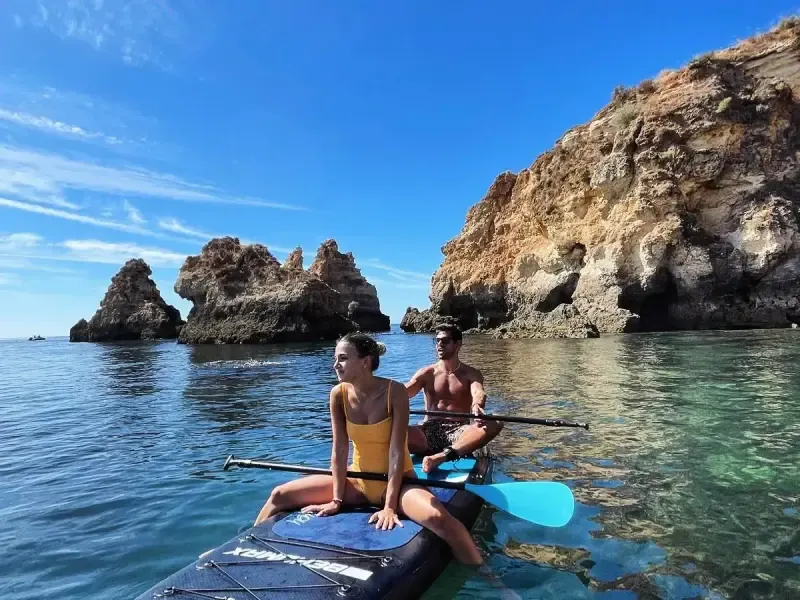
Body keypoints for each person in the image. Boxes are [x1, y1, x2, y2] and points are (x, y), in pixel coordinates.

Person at [253, 332, 483, 566]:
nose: (335, 365)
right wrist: (336, 499)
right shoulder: (338, 394)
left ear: (365, 361)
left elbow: (396, 451)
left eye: (342, 358)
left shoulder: (395, 392)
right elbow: (340, 450)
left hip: (401, 483)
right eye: (335, 359)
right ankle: (250, 545)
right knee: (279, 494)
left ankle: (487, 576)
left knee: (441, 520)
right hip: (357, 480)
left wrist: (389, 507)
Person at [405, 324, 503, 473]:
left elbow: (478, 392)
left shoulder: (471, 374)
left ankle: (443, 457)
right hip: (427, 432)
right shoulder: (427, 373)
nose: (439, 345)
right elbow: (405, 392)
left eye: (444, 341)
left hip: (460, 432)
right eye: (436, 341)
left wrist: (477, 405)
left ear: (458, 344)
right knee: (389, 429)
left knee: (496, 420)